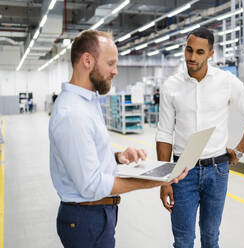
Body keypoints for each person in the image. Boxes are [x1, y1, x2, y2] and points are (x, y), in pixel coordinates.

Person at [49, 30, 187, 248]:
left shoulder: (87, 102)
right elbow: (91, 185)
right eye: (111, 63)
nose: (115, 71)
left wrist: (116, 157)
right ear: (87, 60)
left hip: (95, 215)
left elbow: (82, 157)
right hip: (86, 219)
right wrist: (152, 181)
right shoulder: (72, 113)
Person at [156, 27, 244, 248]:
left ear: (211, 54)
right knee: (183, 241)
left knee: (211, 237)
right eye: (189, 50)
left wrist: (240, 150)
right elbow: (165, 133)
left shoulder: (226, 81)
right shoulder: (171, 86)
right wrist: (164, 179)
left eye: (199, 52)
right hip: (181, 172)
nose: (192, 57)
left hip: (217, 170)